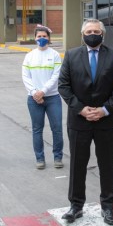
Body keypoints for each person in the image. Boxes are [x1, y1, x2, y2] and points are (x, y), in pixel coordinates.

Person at [58, 19, 113, 226]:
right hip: (79, 120)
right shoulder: (71, 55)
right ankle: (76, 206)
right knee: (77, 164)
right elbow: (64, 86)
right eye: (89, 31)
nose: (93, 34)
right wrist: (81, 109)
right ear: (82, 34)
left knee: (107, 165)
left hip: (106, 120)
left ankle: (108, 208)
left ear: (103, 34)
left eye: (96, 31)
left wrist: (104, 109)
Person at [21, 25, 64, 169]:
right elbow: (26, 76)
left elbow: (55, 76)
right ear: (35, 38)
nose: (41, 39)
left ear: (49, 38)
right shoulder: (29, 56)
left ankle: (58, 157)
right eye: (39, 36)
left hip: (52, 98)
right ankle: (40, 158)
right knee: (37, 129)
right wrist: (34, 92)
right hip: (33, 99)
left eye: (44, 36)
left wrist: (43, 91)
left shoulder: (55, 55)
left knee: (57, 128)